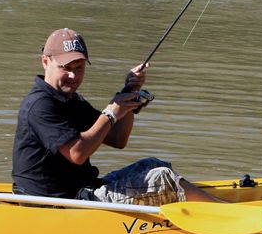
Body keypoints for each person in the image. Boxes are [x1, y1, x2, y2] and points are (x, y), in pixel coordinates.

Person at [12, 28, 225, 205]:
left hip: (83, 191)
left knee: (153, 165)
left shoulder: (71, 100)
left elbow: (117, 139)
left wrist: (128, 95)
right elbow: (77, 153)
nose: (73, 76)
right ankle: (226, 214)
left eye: (79, 68)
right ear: (45, 62)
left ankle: (208, 205)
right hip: (56, 203)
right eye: (65, 68)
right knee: (163, 179)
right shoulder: (40, 105)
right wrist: (112, 112)